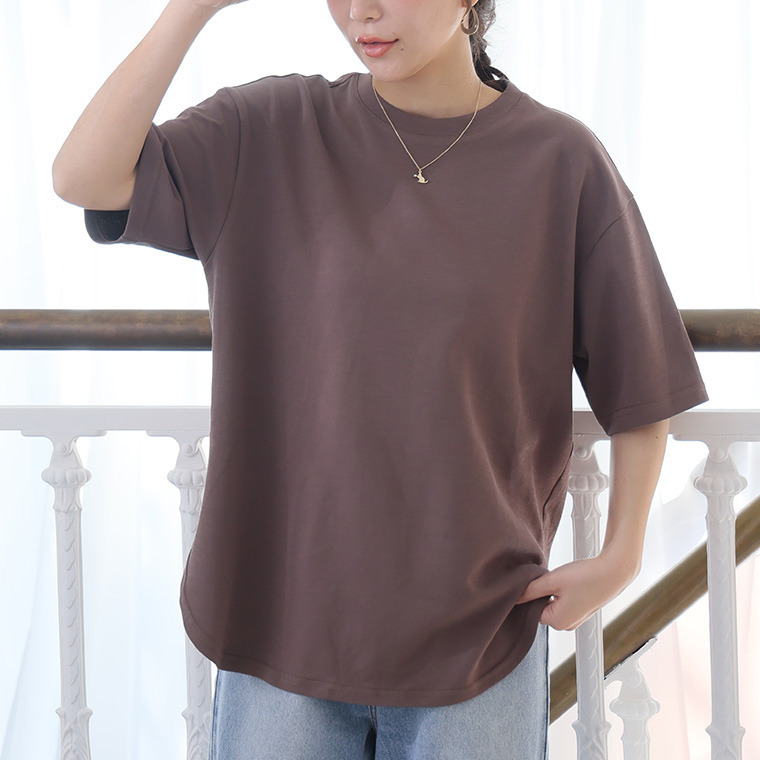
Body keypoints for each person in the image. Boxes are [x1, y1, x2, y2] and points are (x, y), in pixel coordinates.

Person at [52, 0, 709, 758]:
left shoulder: (560, 161)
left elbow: (641, 375)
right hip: (281, 625)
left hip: (478, 633)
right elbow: (84, 176)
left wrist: (622, 555)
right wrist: (192, 9)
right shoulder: (269, 130)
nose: (362, 10)